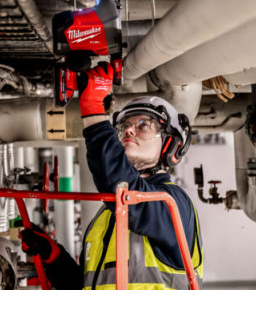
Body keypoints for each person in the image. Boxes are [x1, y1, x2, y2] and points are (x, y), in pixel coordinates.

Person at [19, 62, 203, 289]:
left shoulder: (173, 204)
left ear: (170, 144)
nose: (128, 130)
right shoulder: (106, 216)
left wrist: (93, 107)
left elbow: (122, 186)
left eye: (143, 125)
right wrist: (55, 257)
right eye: (124, 126)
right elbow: (87, 286)